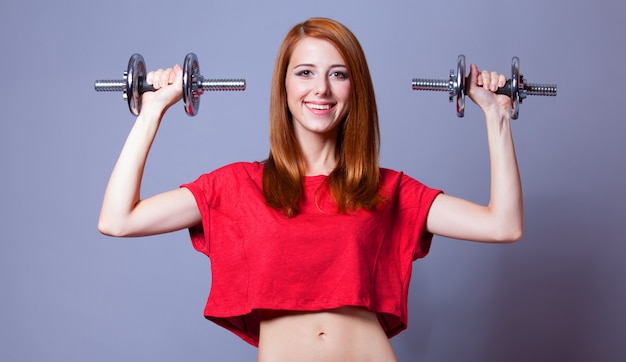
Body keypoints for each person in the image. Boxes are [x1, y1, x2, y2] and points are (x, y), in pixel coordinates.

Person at [98, 17, 522, 362]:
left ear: (355, 90)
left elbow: (503, 225)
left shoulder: (387, 190)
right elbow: (118, 220)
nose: (321, 88)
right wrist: (151, 111)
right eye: (305, 73)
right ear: (284, 87)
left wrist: (496, 116)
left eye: (338, 74)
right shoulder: (235, 186)